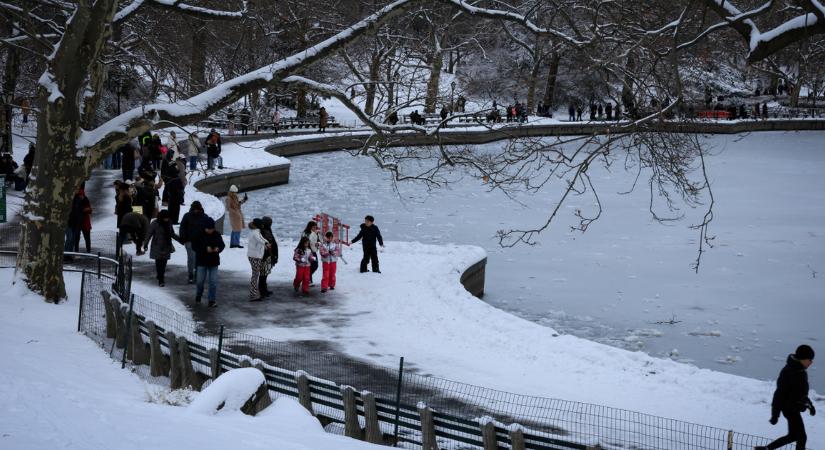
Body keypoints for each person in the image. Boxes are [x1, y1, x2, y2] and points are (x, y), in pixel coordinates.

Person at [755, 345, 816, 450]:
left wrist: (810, 405)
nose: (811, 362)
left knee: (794, 436)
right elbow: (778, 395)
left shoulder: (801, 370)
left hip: (794, 408)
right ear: (802, 358)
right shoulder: (789, 372)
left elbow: (801, 394)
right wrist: (775, 415)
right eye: (810, 359)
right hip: (789, 409)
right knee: (801, 437)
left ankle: (766, 449)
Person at [194, 217, 225, 307]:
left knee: (213, 282)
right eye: (208, 229)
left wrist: (218, 248)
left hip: (214, 261)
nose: (210, 230)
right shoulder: (199, 235)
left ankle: (211, 300)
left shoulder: (217, 234)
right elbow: (195, 246)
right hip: (202, 261)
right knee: (200, 282)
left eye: (212, 229)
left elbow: (222, 244)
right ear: (205, 227)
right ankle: (198, 295)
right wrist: (205, 249)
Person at [178, 201, 209, 284]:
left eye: (197, 209)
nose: (196, 211)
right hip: (189, 241)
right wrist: (183, 238)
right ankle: (191, 274)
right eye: (194, 209)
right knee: (191, 258)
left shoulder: (204, 217)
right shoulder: (187, 216)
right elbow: (182, 227)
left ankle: (197, 274)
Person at [147, 210, 178, 287]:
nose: (166, 219)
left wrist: (181, 240)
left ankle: (160, 275)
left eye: (168, 218)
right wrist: (145, 244)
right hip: (157, 245)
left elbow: (172, 233)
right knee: (158, 262)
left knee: (164, 263)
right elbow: (149, 234)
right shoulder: (155, 223)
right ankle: (161, 279)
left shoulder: (169, 223)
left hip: (167, 245)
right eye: (165, 218)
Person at [246, 219, 269, 302]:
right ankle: (253, 294)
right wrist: (266, 243)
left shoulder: (255, 231)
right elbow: (260, 239)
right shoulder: (255, 232)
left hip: (254, 256)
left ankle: (254, 293)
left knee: (255, 275)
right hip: (255, 256)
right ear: (258, 225)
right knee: (255, 275)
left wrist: (266, 242)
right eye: (261, 224)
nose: (263, 225)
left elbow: (261, 239)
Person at [259, 216, 278, 297]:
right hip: (265, 256)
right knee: (263, 274)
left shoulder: (265, 230)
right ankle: (262, 290)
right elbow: (268, 244)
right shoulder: (264, 232)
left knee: (264, 273)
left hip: (268, 256)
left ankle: (263, 289)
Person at [74, 188, 93, 253]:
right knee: (77, 238)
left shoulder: (86, 200)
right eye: (80, 195)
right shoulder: (75, 201)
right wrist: (84, 209)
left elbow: (90, 210)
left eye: (82, 195)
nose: (81, 196)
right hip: (77, 222)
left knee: (87, 238)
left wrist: (86, 210)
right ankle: (76, 251)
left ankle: (88, 251)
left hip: (85, 222)